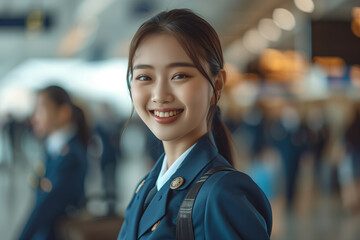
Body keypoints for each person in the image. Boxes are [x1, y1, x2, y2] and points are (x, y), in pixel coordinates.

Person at [118, 9, 272, 240]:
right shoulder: (146, 187)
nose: (160, 95)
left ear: (217, 85)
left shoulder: (221, 194)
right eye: (144, 77)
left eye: (179, 75)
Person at [18, 85, 88, 240]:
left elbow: (45, 206)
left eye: (40, 109)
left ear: (63, 113)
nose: (34, 117)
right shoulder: (53, 148)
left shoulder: (71, 155)